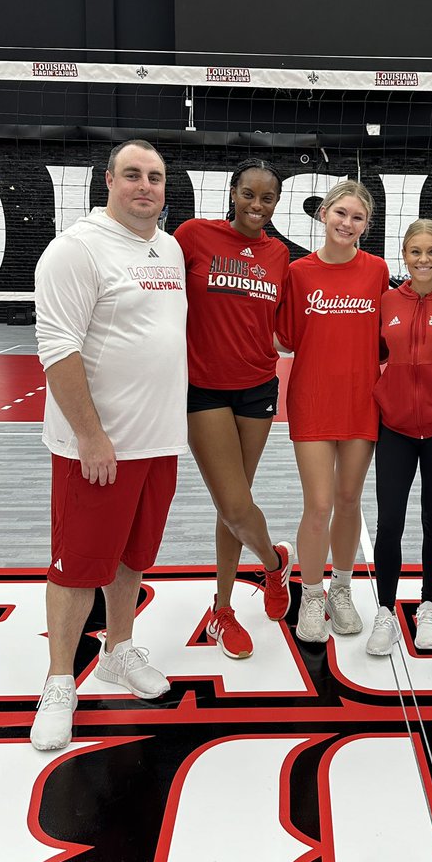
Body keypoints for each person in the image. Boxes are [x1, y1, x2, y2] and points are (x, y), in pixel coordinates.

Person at [31, 140, 188, 751]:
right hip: (97, 449)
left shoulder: (167, 247)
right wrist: (91, 436)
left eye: (154, 176)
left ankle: (120, 651)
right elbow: (57, 349)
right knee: (75, 569)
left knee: (131, 557)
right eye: (132, 175)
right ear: (108, 181)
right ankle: (60, 681)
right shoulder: (76, 249)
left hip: (157, 442)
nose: (144, 185)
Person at [173, 159, 293, 660]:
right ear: (232, 191)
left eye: (267, 199)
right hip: (204, 389)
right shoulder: (193, 235)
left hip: (258, 387)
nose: (257, 206)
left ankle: (222, 610)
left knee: (233, 503)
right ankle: (272, 564)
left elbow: (286, 327)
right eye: (249, 194)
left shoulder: (279, 254)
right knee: (236, 503)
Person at [276, 180, 389, 643]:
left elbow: (388, 337)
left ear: (366, 225)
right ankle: (313, 594)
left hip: (363, 401)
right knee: (318, 504)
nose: (347, 223)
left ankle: (342, 588)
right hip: (313, 401)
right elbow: (286, 338)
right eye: (341, 213)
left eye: (358, 218)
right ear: (323, 214)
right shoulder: (298, 272)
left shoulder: (378, 271)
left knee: (348, 501)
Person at [366, 219, 432, 656]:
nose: (422, 260)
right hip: (396, 430)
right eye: (414, 252)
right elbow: (376, 354)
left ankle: (428, 605)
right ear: (403, 256)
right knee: (390, 522)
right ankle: (385, 611)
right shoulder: (387, 300)